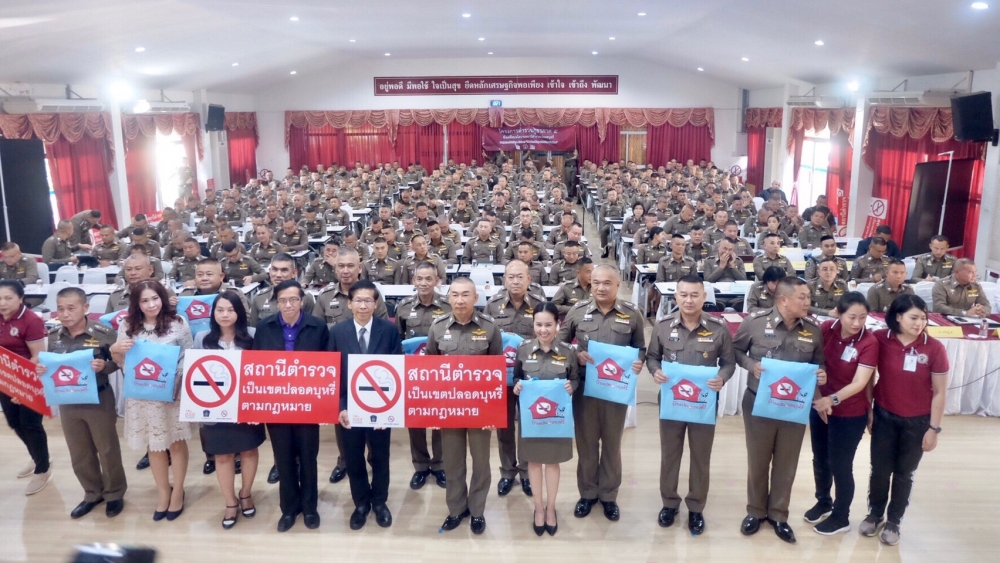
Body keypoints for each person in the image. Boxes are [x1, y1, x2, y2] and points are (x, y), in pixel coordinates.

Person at [732, 277, 826, 543]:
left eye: (809, 297)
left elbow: (819, 362)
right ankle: (755, 511)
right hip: (758, 402)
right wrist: (751, 365)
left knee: (787, 462)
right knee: (758, 460)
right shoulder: (754, 322)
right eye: (802, 297)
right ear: (784, 299)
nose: (808, 302)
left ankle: (779, 514)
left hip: (794, 406)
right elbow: (735, 351)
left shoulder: (813, 329)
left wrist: (822, 375)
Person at [645, 275, 735, 535]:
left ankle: (696, 506)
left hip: (702, 404)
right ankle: (669, 503)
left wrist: (722, 378)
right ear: (676, 296)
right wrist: (655, 371)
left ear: (704, 297)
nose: (688, 300)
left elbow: (729, 363)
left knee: (700, 456)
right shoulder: (663, 326)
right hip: (671, 402)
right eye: (683, 295)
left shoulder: (718, 328)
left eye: (695, 295)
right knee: (670, 454)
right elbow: (652, 357)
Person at [557, 265, 645, 522]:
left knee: (612, 443)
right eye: (596, 283)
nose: (601, 288)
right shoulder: (577, 311)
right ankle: (587, 493)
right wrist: (576, 354)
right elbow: (560, 343)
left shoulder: (632, 314)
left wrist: (638, 362)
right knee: (586, 443)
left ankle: (608, 495)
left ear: (617, 285)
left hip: (616, 390)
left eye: (607, 283)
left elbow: (640, 347)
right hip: (585, 389)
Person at [861, 294, 948, 546]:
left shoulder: (934, 348)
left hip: (918, 421)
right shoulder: (880, 338)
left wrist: (934, 428)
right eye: (913, 317)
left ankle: (894, 521)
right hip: (884, 415)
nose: (919, 323)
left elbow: (940, 392)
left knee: (904, 473)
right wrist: (869, 409)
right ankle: (875, 513)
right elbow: (868, 376)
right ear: (898, 317)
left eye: (923, 318)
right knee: (879, 470)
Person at [35, 287, 125, 516]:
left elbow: (119, 361)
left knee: (107, 448)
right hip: (67, 399)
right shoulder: (54, 334)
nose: (65, 314)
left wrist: (105, 366)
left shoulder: (103, 333)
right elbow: (52, 364)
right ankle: (92, 492)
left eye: (71, 308)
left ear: (85, 308)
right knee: (79, 451)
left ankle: (114, 493)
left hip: (98, 398)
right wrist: (42, 369)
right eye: (60, 309)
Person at [110, 280, 194, 521]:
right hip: (142, 395)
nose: (151, 305)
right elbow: (120, 361)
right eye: (144, 300)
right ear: (136, 304)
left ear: (163, 299)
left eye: (155, 298)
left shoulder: (178, 322)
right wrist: (115, 349)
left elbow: (188, 355)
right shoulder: (127, 325)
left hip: (171, 393)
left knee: (175, 442)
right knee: (154, 444)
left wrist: (176, 380)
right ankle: (163, 493)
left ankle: (178, 491)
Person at [251, 280, 330, 532]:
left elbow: (328, 366)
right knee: (283, 458)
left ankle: (310, 507)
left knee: (308, 457)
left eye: (293, 299)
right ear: (276, 302)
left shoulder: (318, 326)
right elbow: (256, 366)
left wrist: (325, 404)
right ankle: (289, 508)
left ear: (302, 300)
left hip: (308, 404)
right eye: (283, 300)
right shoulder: (264, 327)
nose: (288, 305)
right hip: (276, 405)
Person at [426, 277, 502, 535]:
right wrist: (433, 410)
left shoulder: (490, 327)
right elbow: (429, 371)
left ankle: (477, 510)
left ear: (476, 298)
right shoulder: (437, 327)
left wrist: (493, 413)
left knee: (481, 462)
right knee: (453, 462)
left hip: (480, 408)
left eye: (466, 295)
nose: (460, 300)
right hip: (449, 408)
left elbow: (497, 371)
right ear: (448, 297)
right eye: (455, 294)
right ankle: (456, 509)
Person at [330, 280, 403, 530]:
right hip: (349, 409)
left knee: (381, 457)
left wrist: (389, 411)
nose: (363, 306)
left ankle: (380, 502)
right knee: (353, 458)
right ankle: (361, 503)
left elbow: (397, 371)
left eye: (368, 301)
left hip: (381, 408)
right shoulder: (338, 332)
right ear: (349, 304)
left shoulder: (389, 330)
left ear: (376, 304)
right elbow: (334, 374)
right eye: (358, 301)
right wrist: (340, 406)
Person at [806, 292, 877, 535]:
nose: (857, 323)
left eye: (863, 317)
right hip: (820, 406)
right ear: (838, 313)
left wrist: (832, 400)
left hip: (850, 412)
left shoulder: (869, 342)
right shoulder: (826, 329)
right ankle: (823, 501)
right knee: (820, 458)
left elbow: (860, 382)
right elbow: (814, 365)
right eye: (851, 317)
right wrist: (820, 399)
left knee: (841, 464)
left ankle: (841, 516)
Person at [194, 290, 265, 529]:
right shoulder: (202, 338)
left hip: (246, 406)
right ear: (213, 313)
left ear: (239, 313)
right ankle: (230, 501)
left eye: (231, 310)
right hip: (215, 408)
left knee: (248, 451)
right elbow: (195, 374)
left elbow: (262, 372)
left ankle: (246, 493)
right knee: (222, 455)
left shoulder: (253, 335)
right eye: (220, 310)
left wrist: (257, 405)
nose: (225, 314)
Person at [512, 302, 579, 537]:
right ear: (533, 325)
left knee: (552, 463)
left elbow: (576, 378)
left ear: (557, 325)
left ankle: (551, 508)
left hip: (556, 420)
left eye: (548, 325)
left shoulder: (568, 351)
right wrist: (517, 387)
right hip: (532, 419)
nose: (543, 330)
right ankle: (538, 509)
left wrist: (572, 386)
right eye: (538, 325)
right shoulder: (523, 349)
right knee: (533, 463)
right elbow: (516, 378)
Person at [486, 260, 544, 498]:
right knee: (505, 426)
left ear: (529, 279)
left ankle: (527, 472)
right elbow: (486, 338)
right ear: (504, 280)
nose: (516, 281)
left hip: (532, 375)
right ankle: (508, 471)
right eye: (511, 277)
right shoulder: (493, 305)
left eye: (520, 277)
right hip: (503, 376)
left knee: (529, 424)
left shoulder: (539, 304)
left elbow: (548, 336)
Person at [394, 262, 450, 490]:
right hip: (413, 375)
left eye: (429, 279)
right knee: (415, 421)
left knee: (439, 419)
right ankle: (420, 466)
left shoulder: (448, 305)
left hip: (441, 373)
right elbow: (398, 339)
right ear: (413, 280)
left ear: (437, 281)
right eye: (420, 279)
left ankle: (439, 464)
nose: (424, 283)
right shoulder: (404, 306)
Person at [0, 280, 51, 495]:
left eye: (8, 298)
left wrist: (21, 386)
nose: (2, 303)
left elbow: (37, 355)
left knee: (30, 424)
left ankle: (43, 469)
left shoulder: (31, 320)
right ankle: (37, 455)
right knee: (14, 422)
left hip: (29, 379)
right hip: (5, 378)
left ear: (21, 298)